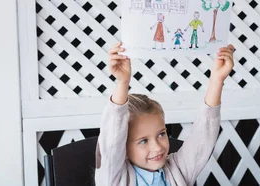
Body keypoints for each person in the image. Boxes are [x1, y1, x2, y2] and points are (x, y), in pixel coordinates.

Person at [94, 42, 235, 186]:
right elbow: (111, 142)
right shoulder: (114, 178)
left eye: (161, 134)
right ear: (123, 146)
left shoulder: (178, 170)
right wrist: (123, 83)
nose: (157, 147)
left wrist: (217, 81)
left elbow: (202, 137)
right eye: (143, 141)